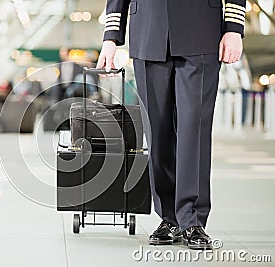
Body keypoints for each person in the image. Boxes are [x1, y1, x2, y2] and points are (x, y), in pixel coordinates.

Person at [97, 0, 245, 250]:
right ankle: (169, 218)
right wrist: (111, 37)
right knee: (158, 133)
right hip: (147, 31)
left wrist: (233, 27)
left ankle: (193, 220)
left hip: (200, 30)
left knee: (193, 131)